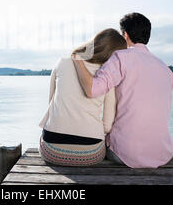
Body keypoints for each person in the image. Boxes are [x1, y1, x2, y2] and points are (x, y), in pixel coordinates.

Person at [72, 13, 173, 168]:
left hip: (125, 153)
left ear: (125, 35)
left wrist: (78, 59)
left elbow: (92, 90)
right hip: (162, 153)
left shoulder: (120, 57)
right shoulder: (166, 69)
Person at [39, 29, 127, 166]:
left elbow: (51, 103)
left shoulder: (63, 61)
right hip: (90, 153)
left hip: (52, 150)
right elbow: (108, 125)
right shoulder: (108, 75)